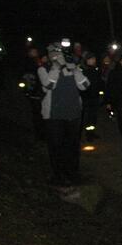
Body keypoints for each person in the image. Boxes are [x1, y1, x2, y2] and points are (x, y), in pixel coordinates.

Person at [38, 43, 90, 186]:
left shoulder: (71, 68)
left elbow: (85, 86)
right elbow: (48, 85)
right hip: (54, 116)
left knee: (72, 147)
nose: (57, 56)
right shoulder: (44, 69)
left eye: (59, 53)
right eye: (54, 54)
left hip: (73, 115)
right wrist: (56, 68)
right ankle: (58, 175)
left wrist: (75, 70)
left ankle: (72, 173)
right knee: (56, 147)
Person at [80, 52, 103, 142]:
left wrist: (100, 92)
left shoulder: (96, 69)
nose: (93, 61)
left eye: (94, 59)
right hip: (86, 97)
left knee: (93, 117)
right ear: (87, 60)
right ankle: (85, 134)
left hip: (94, 97)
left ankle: (91, 133)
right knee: (86, 116)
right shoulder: (83, 70)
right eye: (91, 59)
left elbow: (99, 82)